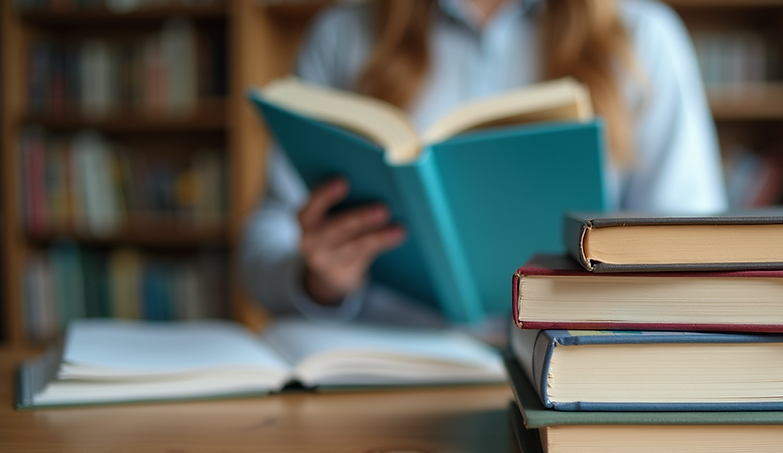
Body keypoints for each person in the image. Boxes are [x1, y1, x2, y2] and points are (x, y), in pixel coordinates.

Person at [240, 0, 727, 334]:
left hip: (573, 362)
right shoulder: (343, 36)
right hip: (386, 367)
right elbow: (261, 247)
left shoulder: (643, 38)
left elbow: (694, 252)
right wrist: (317, 279)